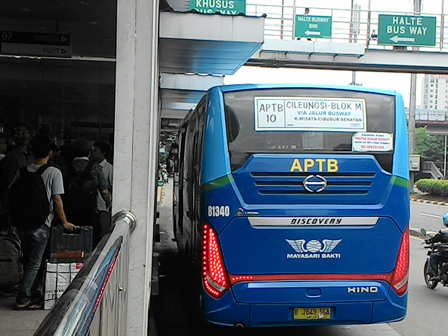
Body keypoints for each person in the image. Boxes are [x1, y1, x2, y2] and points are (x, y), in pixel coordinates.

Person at [11, 134, 76, 310]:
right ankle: (23, 297)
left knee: (26, 261)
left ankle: (31, 292)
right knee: (34, 262)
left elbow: (11, 194)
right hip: (41, 224)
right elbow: (57, 200)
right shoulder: (54, 172)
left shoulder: (22, 171)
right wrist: (64, 222)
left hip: (21, 224)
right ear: (49, 152)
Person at [64, 138, 111, 246]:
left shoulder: (65, 168)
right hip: (90, 212)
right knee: (91, 241)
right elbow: (104, 191)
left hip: (69, 213)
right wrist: (108, 202)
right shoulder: (96, 168)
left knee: (71, 243)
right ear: (89, 151)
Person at [0, 123, 33, 200]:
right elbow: (10, 184)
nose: (25, 135)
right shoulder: (12, 158)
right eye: (20, 133)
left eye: (26, 132)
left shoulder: (28, 155)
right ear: (13, 137)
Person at [90, 140, 113, 239]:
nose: (92, 153)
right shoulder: (90, 166)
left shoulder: (109, 168)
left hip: (103, 207)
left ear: (103, 153)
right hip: (91, 206)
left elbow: (113, 186)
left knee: (103, 233)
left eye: (95, 151)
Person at [425, 212, 448, 281]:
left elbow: (434, 239)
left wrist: (428, 241)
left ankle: (436, 275)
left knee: (433, 257)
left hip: (446, 253)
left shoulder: (443, 232)